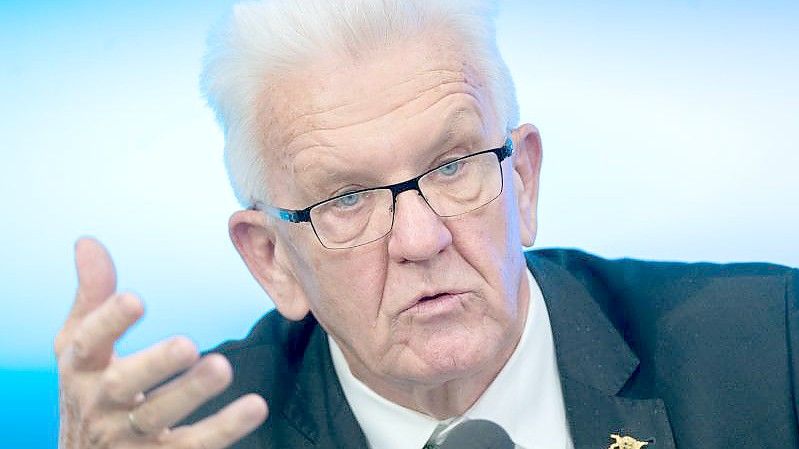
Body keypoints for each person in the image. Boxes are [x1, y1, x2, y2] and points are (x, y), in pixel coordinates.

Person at [55, 1, 799, 448]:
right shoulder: (186, 436)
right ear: (271, 257)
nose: (421, 239)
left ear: (523, 180)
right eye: (345, 198)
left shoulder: (772, 349)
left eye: (451, 166)